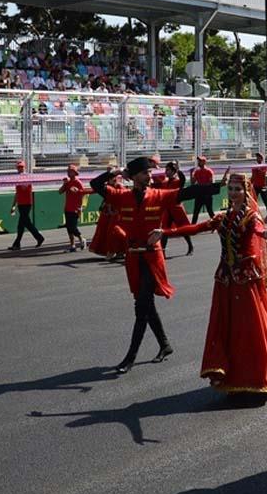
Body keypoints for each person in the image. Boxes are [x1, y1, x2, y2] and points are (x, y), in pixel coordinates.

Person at [151, 172, 267, 394]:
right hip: (225, 279)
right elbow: (196, 228)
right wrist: (166, 231)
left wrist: (266, 233)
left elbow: (258, 230)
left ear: (246, 192)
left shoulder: (251, 217)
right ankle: (232, 374)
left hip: (246, 279)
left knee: (250, 328)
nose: (234, 193)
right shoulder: (223, 218)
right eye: (231, 189)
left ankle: (258, 375)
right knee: (228, 328)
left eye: (238, 189)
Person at [89, 157, 221, 373]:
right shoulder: (121, 196)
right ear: (132, 177)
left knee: (141, 307)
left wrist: (219, 186)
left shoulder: (159, 195)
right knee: (146, 305)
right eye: (144, 173)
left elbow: (188, 193)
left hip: (152, 258)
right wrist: (117, 171)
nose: (149, 176)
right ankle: (165, 345)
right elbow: (96, 185)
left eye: (149, 172)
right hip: (133, 258)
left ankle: (129, 359)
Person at [151, 161, 193, 256]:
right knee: (164, 231)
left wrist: (179, 170)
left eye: (168, 170)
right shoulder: (164, 182)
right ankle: (163, 251)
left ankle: (190, 246)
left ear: (173, 171)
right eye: (166, 169)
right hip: (167, 209)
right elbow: (156, 187)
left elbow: (182, 180)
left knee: (183, 229)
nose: (166, 171)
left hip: (177, 209)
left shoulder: (177, 181)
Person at [9, 160, 44, 250]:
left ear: (24, 168)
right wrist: (13, 205)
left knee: (24, 223)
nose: (20, 169)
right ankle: (19, 243)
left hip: (27, 203)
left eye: (21, 167)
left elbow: (25, 187)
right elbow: (17, 193)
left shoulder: (27, 177)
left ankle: (18, 243)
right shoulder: (17, 178)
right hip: (21, 203)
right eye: (19, 167)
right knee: (24, 224)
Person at [58, 165, 89, 253]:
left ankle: (81, 239)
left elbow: (84, 194)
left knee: (73, 227)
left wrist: (82, 207)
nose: (68, 173)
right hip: (67, 207)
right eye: (68, 171)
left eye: (70, 171)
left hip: (76, 208)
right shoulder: (67, 182)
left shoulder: (78, 182)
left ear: (75, 173)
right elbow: (60, 192)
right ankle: (72, 245)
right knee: (69, 228)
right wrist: (65, 184)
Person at [189, 155, 216, 223]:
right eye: (198, 161)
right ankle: (192, 227)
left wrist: (201, 185)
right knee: (196, 212)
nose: (198, 162)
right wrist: (191, 174)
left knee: (210, 211)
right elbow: (192, 183)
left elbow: (211, 182)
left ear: (204, 162)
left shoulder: (209, 171)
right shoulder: (197, 171)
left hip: (207, 194)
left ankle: (217, 224)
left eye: (200, 161)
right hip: (200, 194)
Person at [250, 152, 267, 220]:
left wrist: (258, 169)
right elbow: (253, 176)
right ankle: (254, 213)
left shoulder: (264, 166)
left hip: (263, 186)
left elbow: (263, 174)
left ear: (261, 158)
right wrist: (250, 183)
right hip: (256, 186)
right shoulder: (254, 167)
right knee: (254, 200)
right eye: (257, 157)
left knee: (265, 200)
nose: (257, 158)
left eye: (259, 157)